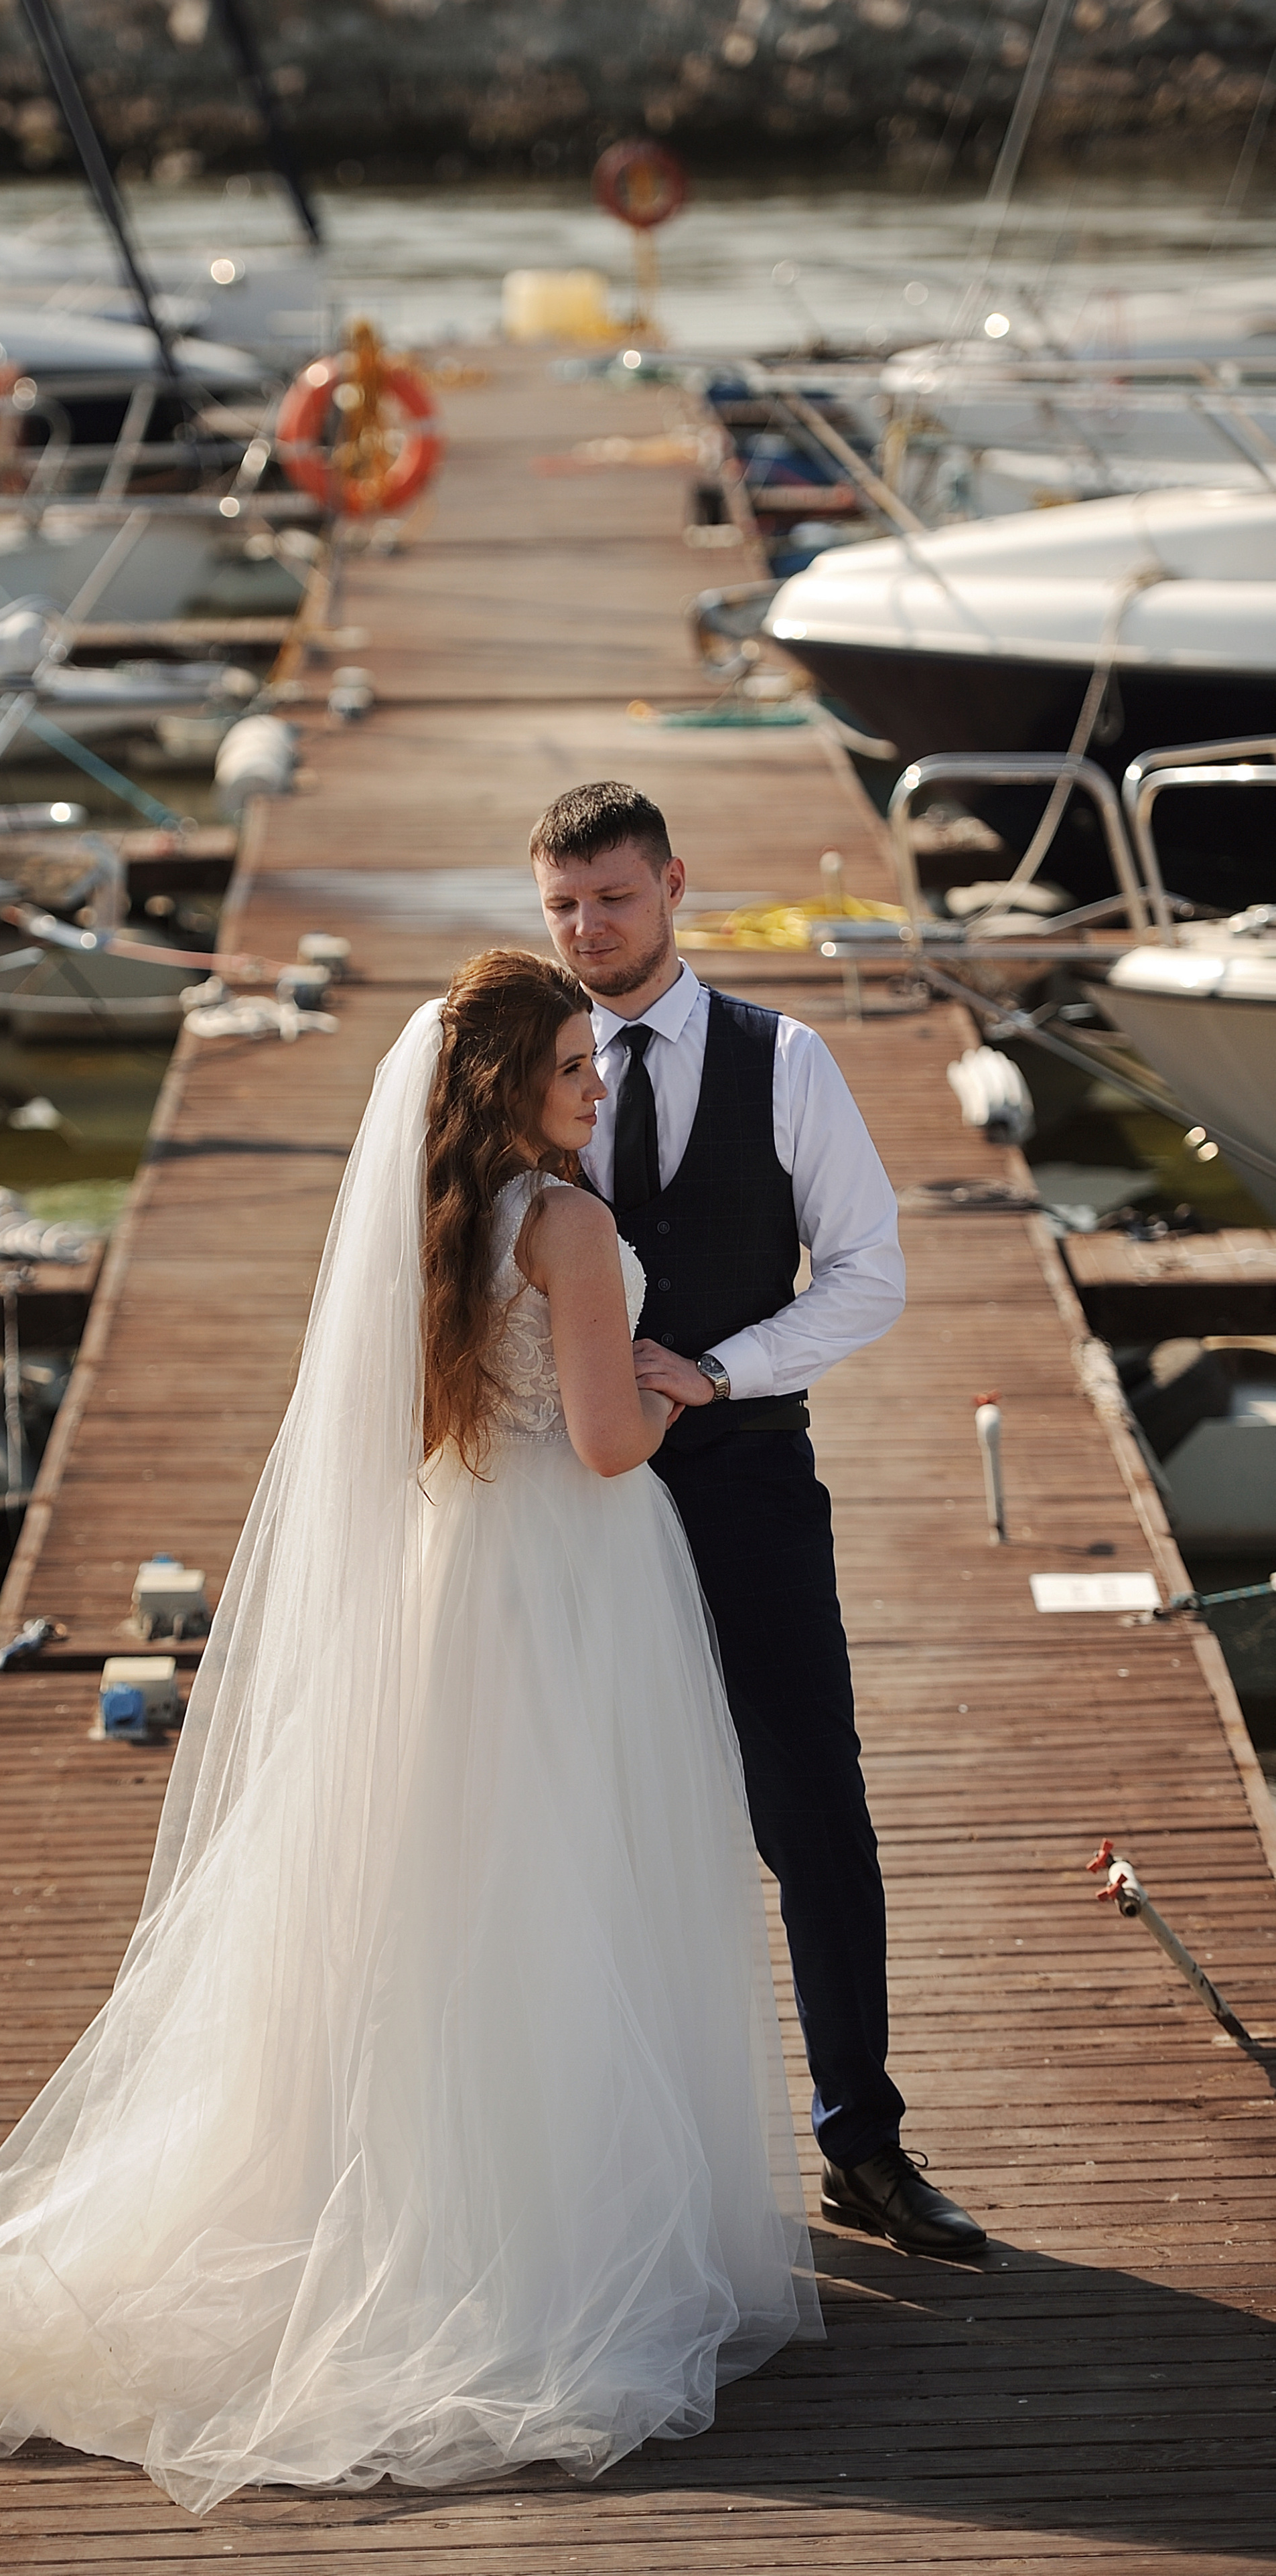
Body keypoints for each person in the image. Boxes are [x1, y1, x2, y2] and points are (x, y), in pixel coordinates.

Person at [0, 950, 819, 2512]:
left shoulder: (441, 1219)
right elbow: (605, 1443)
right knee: (572, 1888)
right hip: (569, 1581)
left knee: (451, 1892)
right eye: (568, 1072)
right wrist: (679, 1383)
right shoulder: (575, 1228)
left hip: (450, 1569)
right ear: (508, 1088)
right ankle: (544, 2240)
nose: (594, 1087)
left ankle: (433, 2196)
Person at [530, 780, 986, 2261]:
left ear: (671, 884)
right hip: (560, 1498)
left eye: (610, 896)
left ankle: (862, 2143)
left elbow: (867, 1271)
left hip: (743, 1479)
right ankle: (605, 2154)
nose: (587, 928)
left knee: (813, 1809)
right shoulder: (520, 1063)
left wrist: (722, 1369)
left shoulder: (782, 1057)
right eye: (561, 905)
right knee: (576, 1815)